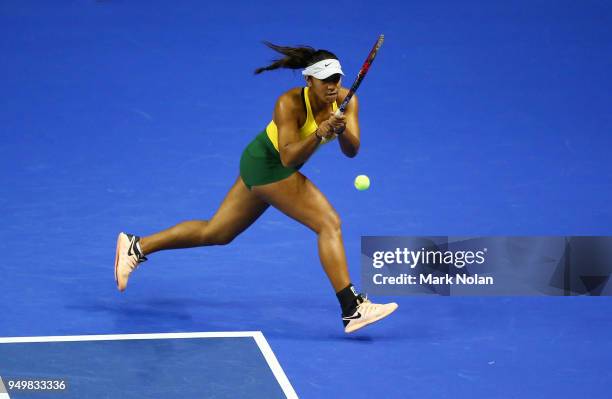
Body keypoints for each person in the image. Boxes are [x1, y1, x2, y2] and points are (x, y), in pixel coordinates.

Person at [114, 42, 397, 333]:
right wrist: (318, 133)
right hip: (268, 164)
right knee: (329, 223)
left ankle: (137, 245)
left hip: (267, 166)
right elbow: (287, 157)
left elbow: (352, 151)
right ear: (309, 80)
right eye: (325, 80)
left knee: (217, 232)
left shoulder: (347, 100)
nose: (332, 86)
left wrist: (340, 131)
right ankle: (352, 307)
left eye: (336, 79)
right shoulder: (288, 103)